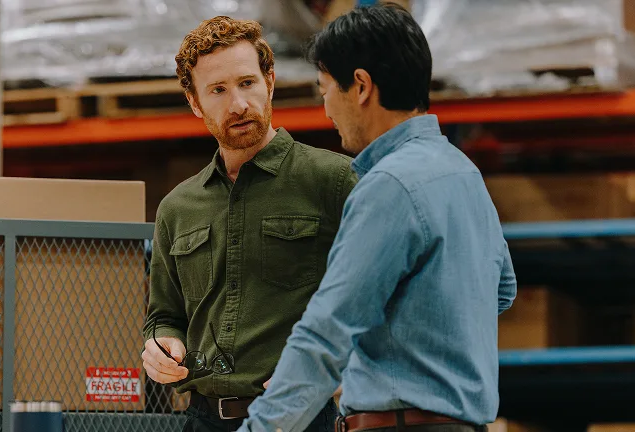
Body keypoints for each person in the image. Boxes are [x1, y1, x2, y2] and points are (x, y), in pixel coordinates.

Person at [237, 4, 517, 432]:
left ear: (362, 86)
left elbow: (327, 333)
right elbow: (501, 290)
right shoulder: (463, 172)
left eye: (325, 90)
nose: (326, 110)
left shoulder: (389, 185)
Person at [141, 15, 357, 432]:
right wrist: (160, 346)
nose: (238, 104)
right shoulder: (177, 208)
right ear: (195, 103)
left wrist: (341, 370)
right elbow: (164, 316)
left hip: (299, 418)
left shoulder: (334, 181)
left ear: (269, 82)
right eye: (218, 90)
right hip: (202, 420)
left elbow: (381, 295)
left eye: (247, 83)